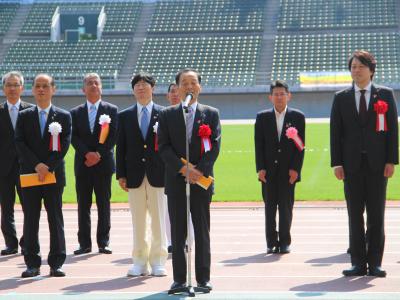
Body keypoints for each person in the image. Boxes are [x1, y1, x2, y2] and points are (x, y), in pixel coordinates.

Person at [330, 50, 398, 277]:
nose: (355, 71)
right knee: (354, 215)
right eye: (353, 67)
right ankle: (358, 263)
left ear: (371, 69)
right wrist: (337, 163)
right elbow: (335, 133)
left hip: (379, 165)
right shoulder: (341, 98)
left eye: (360, 67)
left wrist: (391, 160)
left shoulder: (385, 95)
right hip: (351, 166)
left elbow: (392, 132)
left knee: (376, 215)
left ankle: (375, 263)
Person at [158, 68, 221, 292]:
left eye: (193, 83)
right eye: (184, 83)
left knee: (202, 231)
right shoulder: (167, 115)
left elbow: (214, 147)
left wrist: (198, 171)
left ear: (200, 87)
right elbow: (163, 148)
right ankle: (179, 279)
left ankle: (203, 278)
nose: (189, 87)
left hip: (201, 182)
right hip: (176, 182)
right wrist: (184, 169)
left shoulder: (211, 113)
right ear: (177, 88)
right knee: (178, 232)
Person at [15, 73, 71, 277]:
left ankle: (56, 262)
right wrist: (37, 165)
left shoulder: (64, 116)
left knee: (55, 218)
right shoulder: (24, 115)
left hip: (53, 175)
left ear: (53, 89)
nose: (41, 89)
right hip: (30, 174)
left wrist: (48, 166)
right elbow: (19, 143)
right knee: (30, 218)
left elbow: (64, 145)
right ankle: (32, 263)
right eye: (37, 86)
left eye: (45, 86)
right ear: (32, 89)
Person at [116, 72, 168, 277]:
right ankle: (139, 261)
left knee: (158, 220)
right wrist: (121, 173)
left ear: (153, 88)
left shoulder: (164, 114)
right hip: (134, 175)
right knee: (138, 220)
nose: (141, 88)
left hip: (158, 174)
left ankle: (158, 261)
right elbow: (121, 147)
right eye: (137, 85)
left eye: (145, 84)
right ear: (133, 90)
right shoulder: (125, 115)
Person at [254, 80, 305, 254]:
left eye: (282, 93)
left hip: (287, 171)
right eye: (276, 94)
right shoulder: (262, 117)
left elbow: (300, 146)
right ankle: (270, 241)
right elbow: (258, 145)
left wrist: (296, 169)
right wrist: (260, 168)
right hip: (268, 171)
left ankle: (285, 241)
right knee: (269, 207)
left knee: (286, 208)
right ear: (270, 97)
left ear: (288, 96)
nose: (279, 97)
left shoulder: (298, 117)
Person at [70, 73, 118, 255]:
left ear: (101, 87)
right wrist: (87, 154)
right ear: (83, 89)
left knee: (103, 204)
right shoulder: (75, 113)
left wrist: (98, 154)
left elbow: (113, 136)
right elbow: (73, 137)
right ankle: (84, 244)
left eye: (96, 83)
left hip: (103, 164)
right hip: (83, 165)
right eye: (89, 83)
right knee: (83, 204)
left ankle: (103, 242)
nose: (93, 86)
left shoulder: (111, 110)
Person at [0, 71, 33, 256]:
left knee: (29, 207)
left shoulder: (31, 111)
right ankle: (10, 244)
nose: (12, 88)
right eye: (9, 85)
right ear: (4, 88)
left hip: (26, 167)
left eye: (15, 85)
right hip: (4, 168)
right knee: (6, 207)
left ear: (22, 88)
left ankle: (26, 242)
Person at [165, 83, 194, 254]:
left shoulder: (190, 114)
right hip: (167, 169)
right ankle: (171, 241)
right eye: (172, 92)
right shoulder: (164, 115)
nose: (175, 95)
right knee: (169, 212)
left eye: (178, 91)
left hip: (191, 170)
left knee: (190, 208)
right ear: (167, 96)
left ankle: (189, 241)